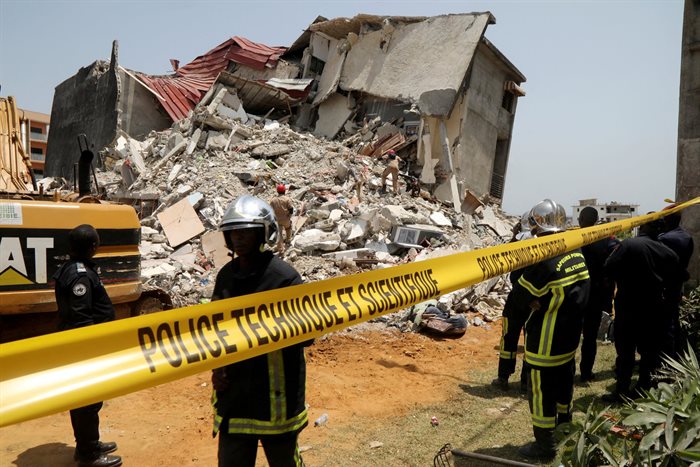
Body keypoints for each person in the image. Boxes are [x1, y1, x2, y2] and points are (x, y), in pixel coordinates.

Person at [210, 195, 310, 467]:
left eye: (246, 232)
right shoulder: (226, 276)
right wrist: (216, 370)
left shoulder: (284, 278)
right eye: (234, 233)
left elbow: (307, 334)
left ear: (263, 233)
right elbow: (214, 330)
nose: (239, 239)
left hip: (275, 396)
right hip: (234, 396)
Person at [513, 200, 590, 462]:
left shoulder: (545, 257)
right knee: (563, 388)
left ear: (537, 226)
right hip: (569, 339)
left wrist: (537, 302)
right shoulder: (575, 249)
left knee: (541, 393)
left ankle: (545, 445)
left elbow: (520, 294)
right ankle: (564, 432)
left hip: (545, 341)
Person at [53, 224, 121, 467]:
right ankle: (89, 454)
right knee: (86, 400)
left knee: (89, 399)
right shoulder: (80, 275)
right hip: (84, 348)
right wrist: (91, 350)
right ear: (93, 247)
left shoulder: (72, 269)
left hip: (83, 346)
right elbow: (82, 317)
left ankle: (89, 444)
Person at [603, 218, 679, 402]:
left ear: (643, 226)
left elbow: (608, 267)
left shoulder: (629, 244)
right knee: (649, 352)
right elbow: (678, 279)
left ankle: (621, 390)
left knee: (625, 351)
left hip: (628, 306)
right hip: (653, 308)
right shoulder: (667, 252)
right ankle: (643, 389)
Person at [577, 207, 619, 382]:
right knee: (590, 337)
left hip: (575, 295)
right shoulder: (606, 240)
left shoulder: (572, 239)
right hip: (595, 296)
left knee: (569, 335)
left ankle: (566, 370)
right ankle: (586, 374)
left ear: (580, 220)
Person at [492, 212, 532, 393]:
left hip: (517, 297)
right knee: (531, 341)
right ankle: (526, 381)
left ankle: (503, 378)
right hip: (535, 301)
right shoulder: (545, 243)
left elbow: (511, 270)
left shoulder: (517, 241)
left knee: (509, 339)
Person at [658, 207, 694, 356]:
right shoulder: (687, 237)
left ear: (666, 219)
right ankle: (676, 355)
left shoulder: (664, 239)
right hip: (677, 286)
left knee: (665, 325)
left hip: (664, 287)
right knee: (674, 320)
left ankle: (666, 357)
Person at [269, 183, 294, 253]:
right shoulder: (287, 199)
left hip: (277, 220)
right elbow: (291, 209)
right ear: (284, 191)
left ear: (277, 191)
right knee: (288, 228)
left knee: (279, 234)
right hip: (285, 219)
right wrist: (289, 216)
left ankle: (280, 249)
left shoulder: (273, 200)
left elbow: (270, 210)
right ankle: (288, 239)